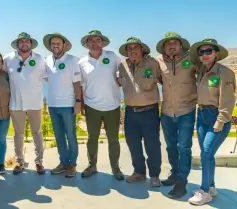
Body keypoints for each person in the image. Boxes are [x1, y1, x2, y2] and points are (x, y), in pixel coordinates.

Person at [188, 38, 235, 206]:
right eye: (201, 52)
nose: (205, 55)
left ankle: (205, 191)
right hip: (201, 115)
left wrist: (220, 121)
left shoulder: (224, 73)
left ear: (216, 53)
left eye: (209, 51)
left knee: (206, 153)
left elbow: (228, 100)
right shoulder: (201, 71)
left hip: (216, 117)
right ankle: (212, 187)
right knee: (207, 154)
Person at [155, 32, 198, 199]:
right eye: (168, 43)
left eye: (175, 43)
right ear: (163, 47)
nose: (171, 46)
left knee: (184, 147)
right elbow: (159, 79)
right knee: (171, 146)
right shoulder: (158, 61)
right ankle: (174, 173)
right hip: (166, 111)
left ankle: (181, 182)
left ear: (181, 46)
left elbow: (203, 75)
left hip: (186, 110)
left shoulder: (192, 59)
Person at [78, 30, 124, 180]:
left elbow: (126, 70)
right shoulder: (81, 62)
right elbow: (80, 86)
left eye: (98, 40)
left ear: (102, 43)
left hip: (113, 105)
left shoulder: (113, 56)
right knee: (92, 138)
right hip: (92, 106)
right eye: (91, 40)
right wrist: (82, 105)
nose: (95, 43)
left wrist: (121, 81)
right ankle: (92, 166)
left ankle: (115, 168)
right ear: (87, 44)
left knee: (113, 139)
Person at [117, 37, 162, 186]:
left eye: (136, 47)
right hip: (130, 113)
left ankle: (155, 175)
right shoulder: (122, 65)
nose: (133, 51)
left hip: (149, 111)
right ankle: (139, 172)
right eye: (129, 48)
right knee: (133, 144)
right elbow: (118, 83)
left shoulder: (152, 63)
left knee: (152, 145)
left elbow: (165, 81)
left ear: (142, 49)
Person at [3, 32, 47, 175]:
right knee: (18, 134)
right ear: (17, 44)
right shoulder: (8, 59)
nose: (24, 44)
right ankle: (19, 162)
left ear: (31, 43)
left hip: (35, 104)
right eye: (21, 42)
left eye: (27, 41)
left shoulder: (40, 59)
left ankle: (39, 162)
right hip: (16, 104)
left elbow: (49, 78)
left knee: (37, 133)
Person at [43, 32, 81, 178]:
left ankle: (72, 165)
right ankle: (63, 162)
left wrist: (78, 102)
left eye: (58, 43)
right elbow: (47, 79)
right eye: (53, 44)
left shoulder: (72, 60)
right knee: (59, 136)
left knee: (70, 135)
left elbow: (77, 84)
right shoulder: (47, 60)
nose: (55, 46)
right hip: (52, 105)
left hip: (68, 105)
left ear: (64, 45)